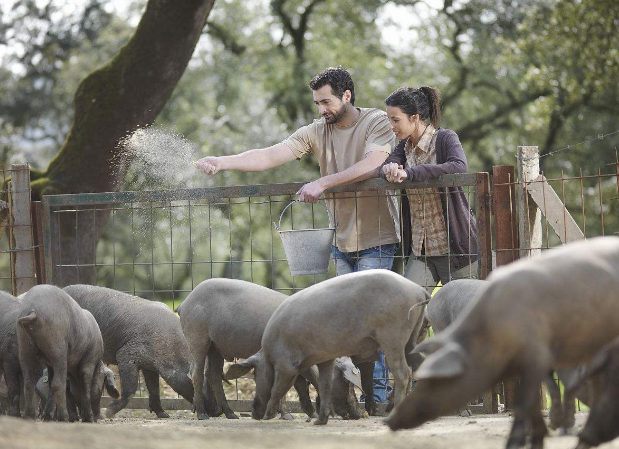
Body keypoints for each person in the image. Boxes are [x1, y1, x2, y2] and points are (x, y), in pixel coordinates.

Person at [195, 67, 400, 404]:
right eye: (317, 103)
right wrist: (223, 161)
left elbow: (374, 164)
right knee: (347, 323)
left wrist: (322, 182)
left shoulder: (376, 121)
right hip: (341, 241)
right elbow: (269, 155)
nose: (321, 109)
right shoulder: (317, 131)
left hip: (378, 237)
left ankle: (377, 396)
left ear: (347, 95)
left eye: (326, 101)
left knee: (369, 319)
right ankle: (351, 398)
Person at [381, 86, 478, 295]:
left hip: (455, 248)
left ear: (414, 117)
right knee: (408, 307)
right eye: (390, 120)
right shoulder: (403, 147)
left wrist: (412, 173)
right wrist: (389, 168)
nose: (391, 126)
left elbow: (459, 166)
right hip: (420, 248)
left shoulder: (445, 139)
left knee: (465, 314)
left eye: (395, 120)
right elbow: (389, 164)